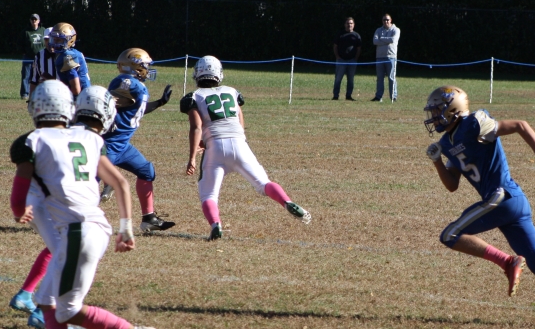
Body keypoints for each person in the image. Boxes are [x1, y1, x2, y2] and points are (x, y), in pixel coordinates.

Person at [10, 80, 159, 329]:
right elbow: (119, 182)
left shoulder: (33, 141)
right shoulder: (86, 138)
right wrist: (125, 228)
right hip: (89, 228)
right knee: (47, 300)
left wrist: (18, 209)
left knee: (67, 309)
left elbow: (21, 189)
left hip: (78, 230)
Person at [423, 86, 535, 329]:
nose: (434, 116)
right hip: (512, 203)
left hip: (502, 197)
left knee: (449, 235)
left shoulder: (475, 123)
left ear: (454, 108)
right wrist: (437, 162)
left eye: (438, 110)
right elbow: (452, 185)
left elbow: (520, 125)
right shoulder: (447, 141)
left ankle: (508, 262)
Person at [181, 55, 312, 240]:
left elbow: (196, 127)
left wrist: (192, 157)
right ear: (219, 73)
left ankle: (215, 224)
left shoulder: (194, 96)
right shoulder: (231, 91)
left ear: (197, 74)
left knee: (209, 194)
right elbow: (240, 120)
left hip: (215, 148)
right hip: (240, 143)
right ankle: (287, 201)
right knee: (263, 183)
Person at [100, 48, 175, 233]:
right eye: (145, 66)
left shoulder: (135, 85)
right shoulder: (124, 82)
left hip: (122, 145)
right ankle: (67, 218)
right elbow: (109, 103)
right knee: (88, 185)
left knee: (146, 170)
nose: (148, 69)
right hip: (108, 145)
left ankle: (148, 219)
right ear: (134, 67)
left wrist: (159, 103)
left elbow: (135, 108)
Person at [50, 22, 90, 98]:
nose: (55, 43)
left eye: (58, 40)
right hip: (84, 97)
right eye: (54, 39)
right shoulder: (74, 52)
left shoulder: (67, 56)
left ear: (69, 40)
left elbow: (76, 90)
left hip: (78, 101)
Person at [371, 14, 400, 102]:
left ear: (391, 20)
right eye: (384, 20)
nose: (385, 21)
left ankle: (393, 96)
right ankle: (378, 97)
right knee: (380, 78)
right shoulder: (378, 30)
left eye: (387, 20)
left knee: (391, 78)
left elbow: (393, 40)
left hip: (391, 57)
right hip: (379, 57)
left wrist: (381, 39)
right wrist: (386, 40)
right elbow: (375, 41)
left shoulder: (396, 30)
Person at [332, 17, 361, 101]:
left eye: (351, 23)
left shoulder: (357, 36)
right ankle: (335, 95)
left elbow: (359, 48)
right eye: (348, 23)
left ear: (354, 25)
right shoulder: (340, 34)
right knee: (338, 79)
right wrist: (337, 57)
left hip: (352, 61)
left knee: (350, 80)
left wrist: (355, 58)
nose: (349, 25)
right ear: (345, 25)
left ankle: (349, 96)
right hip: (341, 60)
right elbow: (335, 46)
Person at [28, 27, 57, 98]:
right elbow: (34, 80)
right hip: (45, 97)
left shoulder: (65, 55)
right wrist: (30, 101)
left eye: (51, 39)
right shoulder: (39, 56)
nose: (49, 42)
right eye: (46, 39)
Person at [20, 14, 43, 100]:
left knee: (40, 75)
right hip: (28, 57)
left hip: (40, 57)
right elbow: (20, 43)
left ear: (38, 21)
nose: (34, 21)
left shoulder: (43, 31)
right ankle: (24, 94)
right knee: (26, 75)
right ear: (30, 21)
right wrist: (23, 52)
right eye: (32, 19)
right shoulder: (26, 32)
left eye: (35, 19)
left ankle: (40, 92)